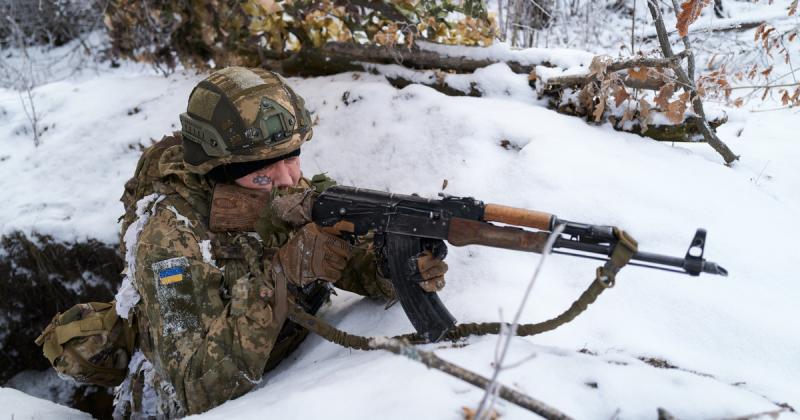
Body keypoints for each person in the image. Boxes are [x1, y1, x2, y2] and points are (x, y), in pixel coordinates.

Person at [112, 67, 449, 418]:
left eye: (293, 156)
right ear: (221, 169)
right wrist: (281, 280)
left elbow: (348, 264)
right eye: (264, 170)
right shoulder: (168, 242)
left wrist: (394, 262)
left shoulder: (277, 190)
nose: (290, 178)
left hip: (289, 378)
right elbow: (196, 388)